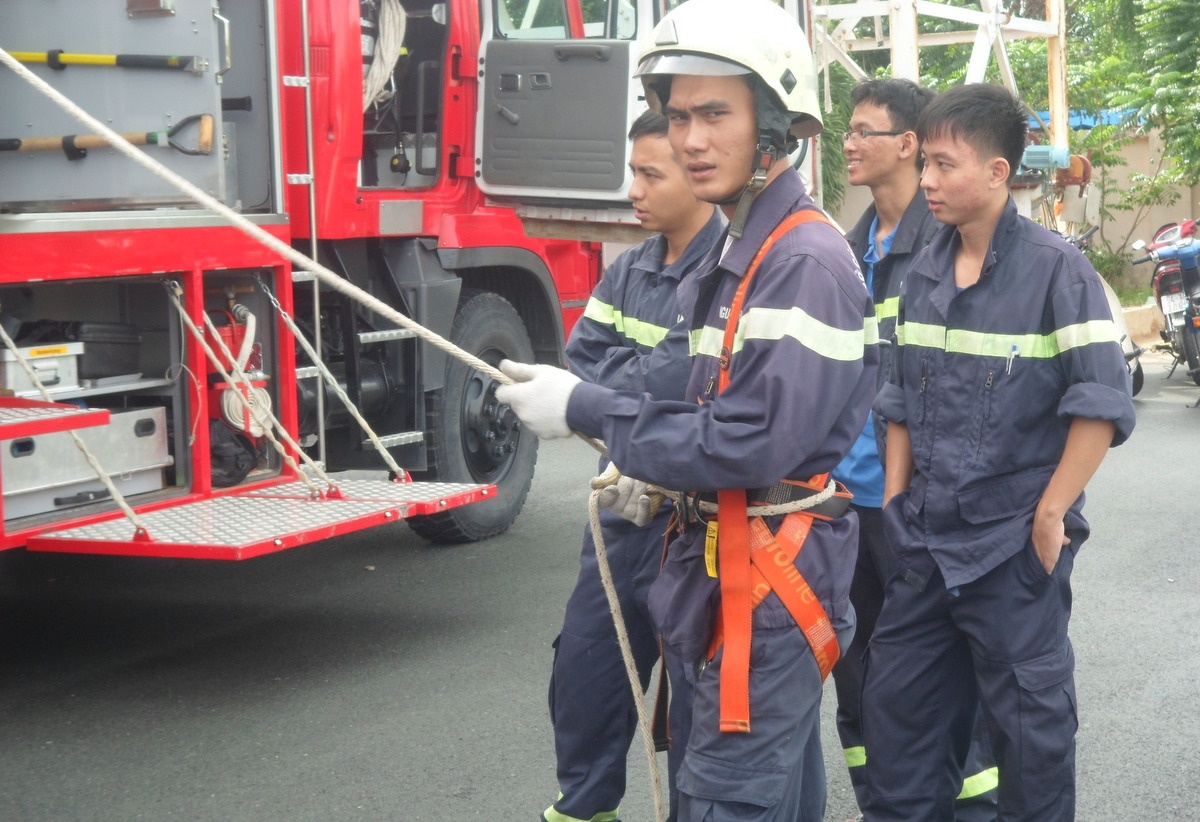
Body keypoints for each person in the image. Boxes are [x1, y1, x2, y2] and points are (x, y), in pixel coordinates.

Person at [497, 0, 878, 818]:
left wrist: (589, 407)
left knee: (723, 797)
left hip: (763, 578)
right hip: (727, 565)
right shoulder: (747, 250)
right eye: (678, 118)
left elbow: (749, 440)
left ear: (773, 122)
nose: (691, 139)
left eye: (715, 114)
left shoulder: (801, 262)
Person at [860, 83, 1136, 821]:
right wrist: (895, 502)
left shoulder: (1056, 271)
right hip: (925, 548)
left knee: (1029, 746)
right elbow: (897, 400)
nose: (927, 179)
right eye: (926, 164)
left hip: (1011, 552)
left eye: (944, 164)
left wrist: (1051, 513)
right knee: (898, 737)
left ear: (996, 172)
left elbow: (1101, 403)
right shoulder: (918, 272)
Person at [543, 109, 723, 822]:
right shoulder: (630, 270)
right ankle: (586, 808)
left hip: (699, 524)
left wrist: (615, 396)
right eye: (633, 172)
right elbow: (584, 360)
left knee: (700, 701)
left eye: (650, 175)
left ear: (698, 174)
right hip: (625, 514)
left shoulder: (732, 275)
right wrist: (641, 390)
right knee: (586, 672)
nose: (633, 191)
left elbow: (682, 386)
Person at [829, 78, 999, 820]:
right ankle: (881, 804)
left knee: (943, 680)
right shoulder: (843, 251)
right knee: (858, 673)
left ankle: (973, 806)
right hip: (844, 502)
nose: (848, 143)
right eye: (847, 130)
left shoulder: (952, 245)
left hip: (919, 506)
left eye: (864, 130)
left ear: (908, 144)